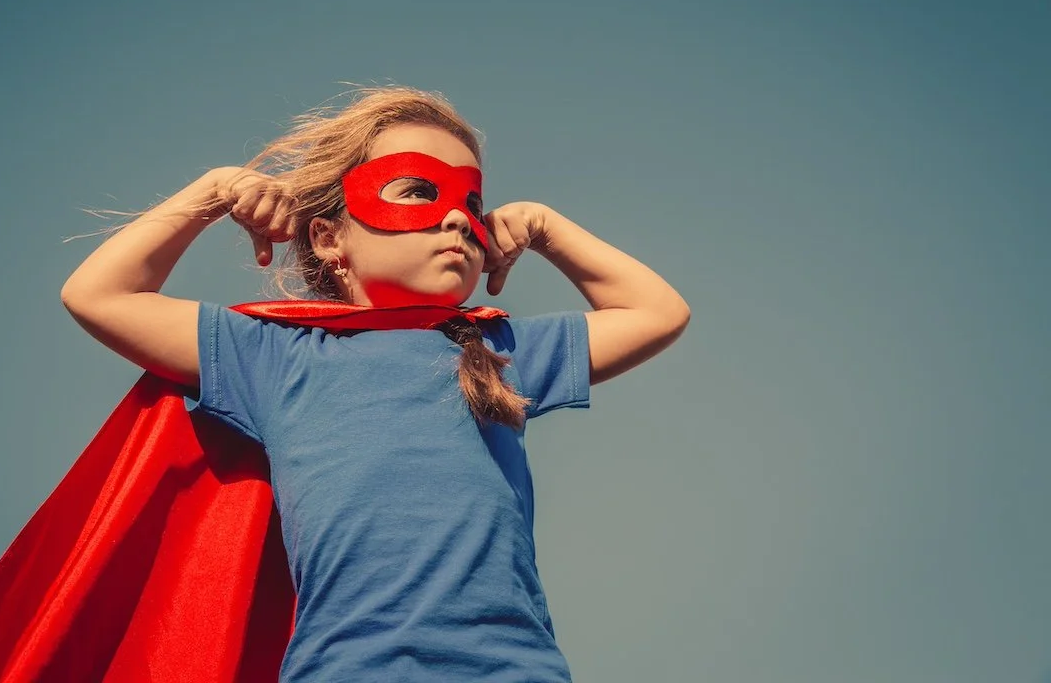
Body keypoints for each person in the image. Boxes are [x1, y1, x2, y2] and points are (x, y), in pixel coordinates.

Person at [57, 86, 691, 681]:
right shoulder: (276, 355)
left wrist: (546, 227)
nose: (458, 221)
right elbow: (100, 295)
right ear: (332, 239)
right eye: (417, 190)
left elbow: (658, 314)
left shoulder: (499, 350)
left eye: (472, 204)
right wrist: (215, 191)